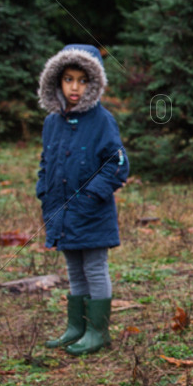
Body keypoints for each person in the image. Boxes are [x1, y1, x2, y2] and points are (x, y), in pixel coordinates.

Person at [36, 43, 130, 356]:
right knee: (74, 268)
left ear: (93, 83)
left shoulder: (102, 121)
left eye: (82, 80)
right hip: (61, 211)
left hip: (92, 212)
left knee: (94, 267)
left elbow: (117, 164)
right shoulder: (52, 122)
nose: (74, 87)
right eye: (68, 79)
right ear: (56, 81)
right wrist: (43, 193)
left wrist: (91, 195)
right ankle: (77, 326)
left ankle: (97, 330)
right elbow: (45, 163)